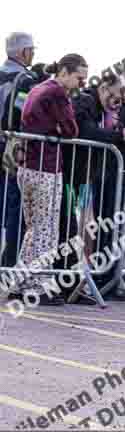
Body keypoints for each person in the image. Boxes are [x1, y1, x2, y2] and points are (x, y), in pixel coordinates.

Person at [11, 54, 86, 305]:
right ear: (64, 71)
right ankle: (37, 287)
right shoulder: (57, 92)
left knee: (33, 229)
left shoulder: (38, 88)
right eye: (79, 77)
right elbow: (71, 130)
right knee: (46, 231)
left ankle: (19, 283)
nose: (81, 83)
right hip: (45, 167)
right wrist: (57, 130)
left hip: (28, 167)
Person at [0, 32, 48, 270]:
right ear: (23, 52)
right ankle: (8, 265)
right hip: (12, 149)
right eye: (32, 49)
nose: (34, 54)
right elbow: (22, 115)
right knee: (13, 209)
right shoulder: (25, 79)